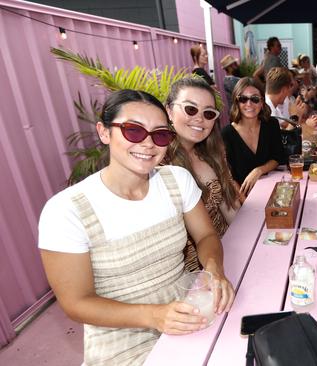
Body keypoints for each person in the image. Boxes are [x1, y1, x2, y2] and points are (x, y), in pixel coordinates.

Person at [38, 89, 235, 365]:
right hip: (120, 332)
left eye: (160, 134)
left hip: (185, 302)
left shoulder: (177, 180)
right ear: (104, 132)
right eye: (133, 130)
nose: (148, 143)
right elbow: (76, 302)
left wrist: (214, 268)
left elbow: (205, 235)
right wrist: (153, 315)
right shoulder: (66, 211)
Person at [165, 78, 242, 271]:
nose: (200, 118)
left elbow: (229, 207)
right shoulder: (157, 163)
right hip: (189, 270)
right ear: (169, 111)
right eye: (191, 109)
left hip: (228, 249)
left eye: (208, 113)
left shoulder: (213, 152)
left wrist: (250, 241)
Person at [221, 77, 284, 196]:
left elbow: (278, 157)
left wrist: (258, 170)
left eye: (254, 99)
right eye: (243, 99)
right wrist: (245, 205)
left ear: (261, 101)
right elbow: (230, 177)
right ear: (236, 102)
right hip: (243, 199)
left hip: (273, 192)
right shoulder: (227, 134)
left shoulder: (271, 124)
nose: (249, 104)